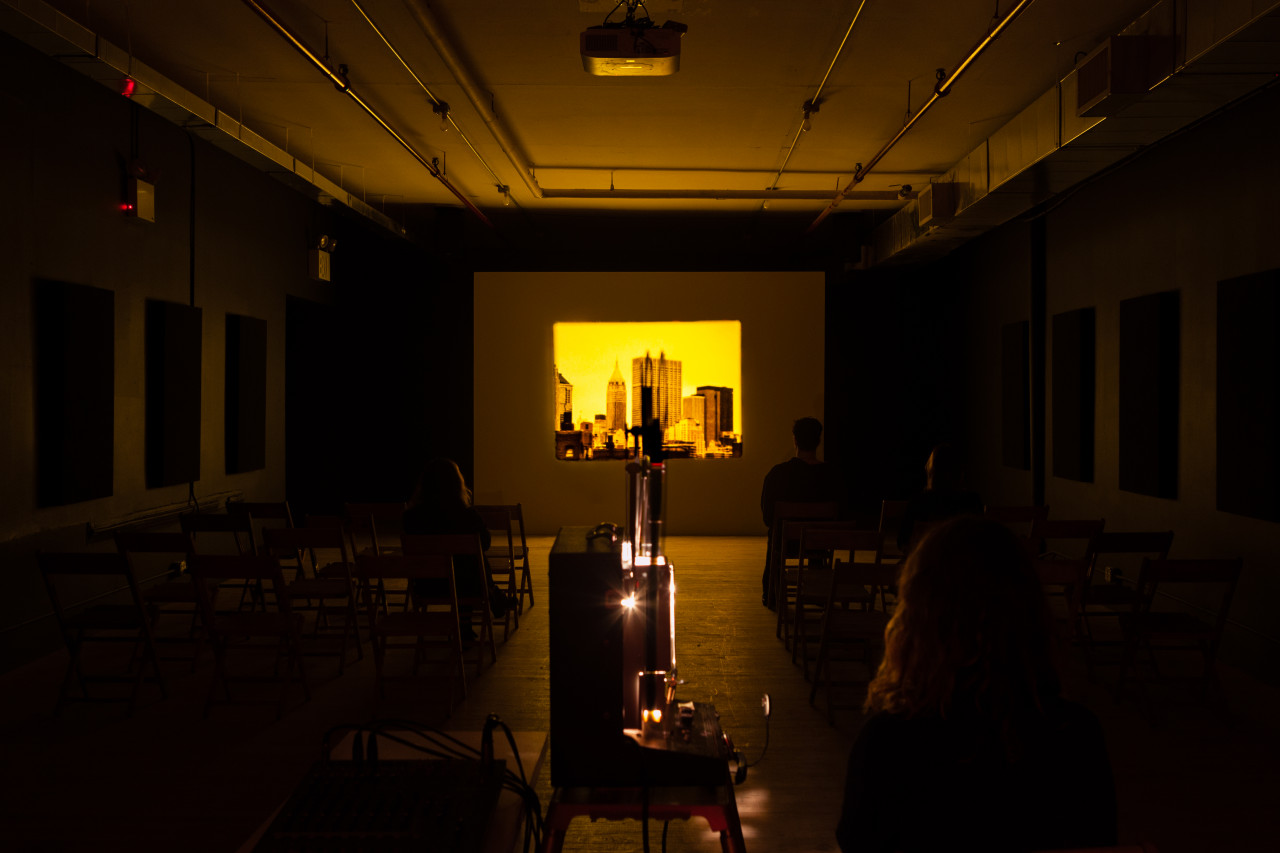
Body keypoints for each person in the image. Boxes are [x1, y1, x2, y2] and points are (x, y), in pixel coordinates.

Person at [836, 516, 1117, 853]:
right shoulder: (1077, 735)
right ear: (1030, 609)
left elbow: (857, 842)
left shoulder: (886, 743)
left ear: (916, 619)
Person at [760, 417, 847, 606]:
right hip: (820, 543)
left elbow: (767, 517)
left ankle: (771, 593)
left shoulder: (777, 474)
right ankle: (818, 590)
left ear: (795, 440)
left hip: (787, 543)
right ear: (818, 441)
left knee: (774, 534)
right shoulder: (832, 475)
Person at [402, 458, 491, 640]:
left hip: (427, 586)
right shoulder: (467, 516)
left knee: (461, 563)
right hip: (466, 587)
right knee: (469, 563)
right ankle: (467, 623)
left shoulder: (411, 518)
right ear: (458, 483)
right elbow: (485, 543)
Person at [897, 441, 983, 554]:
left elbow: (903, 543)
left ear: (932, 472)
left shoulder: (918, 502)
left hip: (925, 564)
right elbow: (979, 541)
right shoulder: (971, 501)